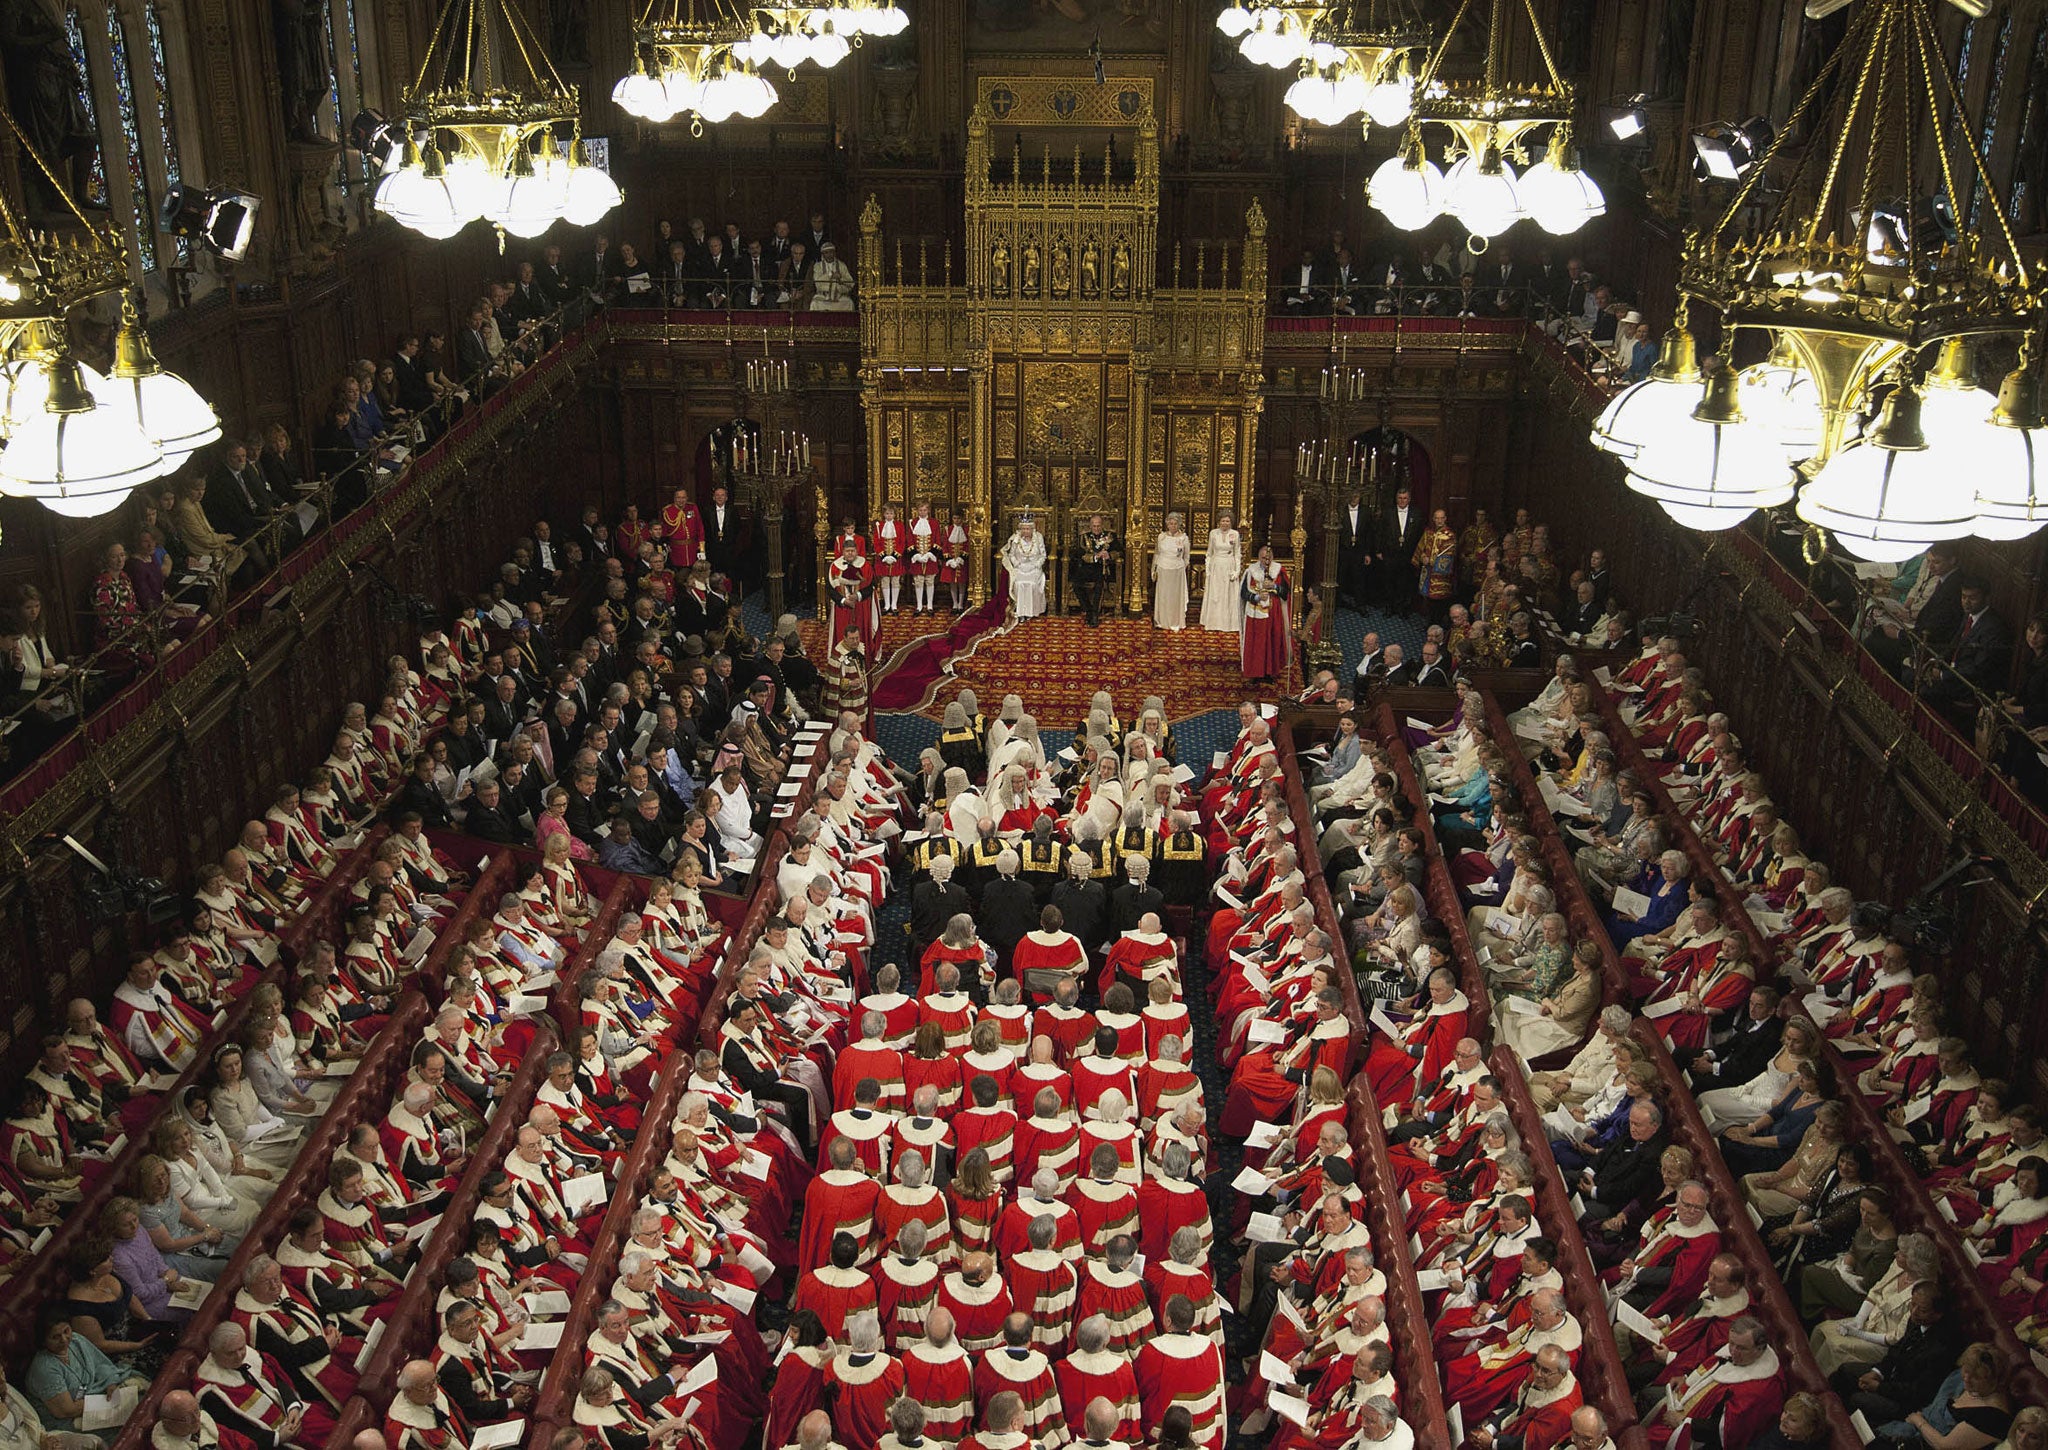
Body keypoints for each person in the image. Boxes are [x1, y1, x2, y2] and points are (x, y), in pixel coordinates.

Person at [1239, 544, 1292, 686]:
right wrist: (1256, 597)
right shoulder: (1251, 571)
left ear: (1272, 558)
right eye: (1263, 558)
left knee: (1272, 641)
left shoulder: (1279, 571)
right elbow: (1243, 593)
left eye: (1268, 558)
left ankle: (1270, 672)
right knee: (1256, 644)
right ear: (1258, 558)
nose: (1266, 561)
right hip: (1255, 614)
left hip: (1273, 613)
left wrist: (1274, 587)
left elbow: (1286, 592)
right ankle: (1255, 673)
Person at [1201, 513, 1243, 633]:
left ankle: (1229, 624)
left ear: (1231, 522)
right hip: (1216, 566)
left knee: (1228, 594)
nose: (1225, 523)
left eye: (1227, 521)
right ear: (1219, 522)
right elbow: (1209, 553)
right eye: (1223, 521)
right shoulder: (1213, 533)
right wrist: (1208, 569)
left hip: (1229, 566)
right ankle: (1214, 623)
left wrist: (1237, 571)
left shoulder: (1235, 534)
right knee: (1216, 594)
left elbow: (1237, 554)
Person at [1075, 514, 1119, 628]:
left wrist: (1109, 555)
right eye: (1094, 526)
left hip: (1103, 567)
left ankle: (1095, 614)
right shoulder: (1084, 537)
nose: (1096, 528)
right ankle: (1088, 610)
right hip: (1087, 567)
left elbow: (1120, 551)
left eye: (1098, 526)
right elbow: (1080, 554)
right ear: (1090, 526)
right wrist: (1095, 556)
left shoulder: (1110, 536)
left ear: (1102, 525)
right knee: (1076, 584)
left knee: (1099, 585)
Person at [1004, 518, 1048, 620]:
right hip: (1020, 567)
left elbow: (1043, 555)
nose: (1025, 531)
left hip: (1034, 568)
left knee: (1032, 585)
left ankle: (1031, 612)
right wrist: (1017, 564)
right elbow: (1011, 555)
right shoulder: (1016, 538)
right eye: (1023, 528)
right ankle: (1020, 612)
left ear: (1032, 529)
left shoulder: (1038, 538)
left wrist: (1036, 565)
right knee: (1019, 584)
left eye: (1028, 529)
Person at [1152, 514, 1190, 631]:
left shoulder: (1184, 538)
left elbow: (1186, 557)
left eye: (1175, 524)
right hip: (1163, 569)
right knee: (1163, 596)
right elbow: (1157, 553)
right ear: (1167, 524)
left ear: (1179, 525)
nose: (1172, 526)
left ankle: (1175, 622)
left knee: (1174, 597)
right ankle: (1162, 621)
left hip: (1177, 572)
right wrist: (1154, 569)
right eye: (1170, 523)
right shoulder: (1161, 537)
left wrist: (1181, 567)